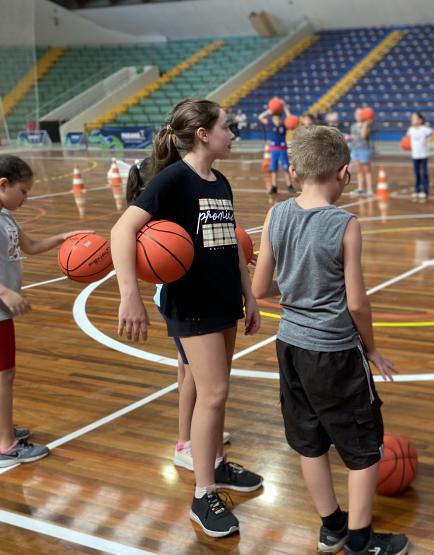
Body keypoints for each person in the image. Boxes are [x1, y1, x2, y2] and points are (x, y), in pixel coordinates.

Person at [251, 125, 409, 555]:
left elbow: (262, 288)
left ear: (296, 170)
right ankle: (360, 541)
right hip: (335, 351)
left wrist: (298, 291)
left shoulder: (276, 214)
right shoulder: (344, 223)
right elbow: (357, 303)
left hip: (290, 346)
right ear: (343, 172)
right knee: (363, 449)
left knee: (310, 442)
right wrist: (371, 347)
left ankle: (331, 526)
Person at [111, 99, 263, 538]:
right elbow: (122, 230)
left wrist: (248, 295)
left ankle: (214, 463)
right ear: (203, 134)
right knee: (212, 394)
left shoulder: (220, 181)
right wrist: (130, 296)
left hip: (223, 301)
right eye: (226, 127)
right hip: (190, 304)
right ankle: (202, 495)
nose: (231, 134)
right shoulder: (173, 180)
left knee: (214, 392)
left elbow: (232, 245)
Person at [125, 157, 231, 471]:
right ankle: (185, 443)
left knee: (188, 372)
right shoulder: (155, 221)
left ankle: (197, 432)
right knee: (192, 376)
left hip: (193, 300)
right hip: (177, 301)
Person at [0, 155, 89, 468]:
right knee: (4, 375)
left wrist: (65, 238)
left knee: (4, 374)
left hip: (3, 312)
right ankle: (6, 448)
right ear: (3, 185)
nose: (27, 198)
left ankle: (2, 430)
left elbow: (32, 246)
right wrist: (5, 292)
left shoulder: (7, 217)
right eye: (23, 191)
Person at [258, 105, 295, 194]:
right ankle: (274, 186)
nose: (277, 121)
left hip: (282, 150)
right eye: (275, 119)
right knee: (274, 169)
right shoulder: (269, 125)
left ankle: (289, 185)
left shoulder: (284, 126)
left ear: (281, 120)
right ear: (272, 120)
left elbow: (290, 119)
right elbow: (260, 117)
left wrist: (285, 109)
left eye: (278, 120)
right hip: (273, 150)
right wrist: (269, 111)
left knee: (286, 168)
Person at [406, 112, 433, 199]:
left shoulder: (424, 129)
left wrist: (427, 140)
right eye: (412, 118)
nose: (412, 119)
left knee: (424, 173)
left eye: (414, 118)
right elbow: (406, 139)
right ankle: (417, 190)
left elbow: (432, 133)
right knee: (416, 173)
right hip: (415, 155)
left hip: (423, 155)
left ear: (420, 120)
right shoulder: (410, 129)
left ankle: (425, 190)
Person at [349, 109, 374, 196]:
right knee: (359, 170)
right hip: (355, 149)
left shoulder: (367, 125)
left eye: (359, 113)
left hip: (364, 149)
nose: (357, 115)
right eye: (356, 113)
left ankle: (370, 189)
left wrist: (366, 124)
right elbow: (353, 137)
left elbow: (364, 136)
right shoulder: (353, 126)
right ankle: (360, 189)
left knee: (367, 170)